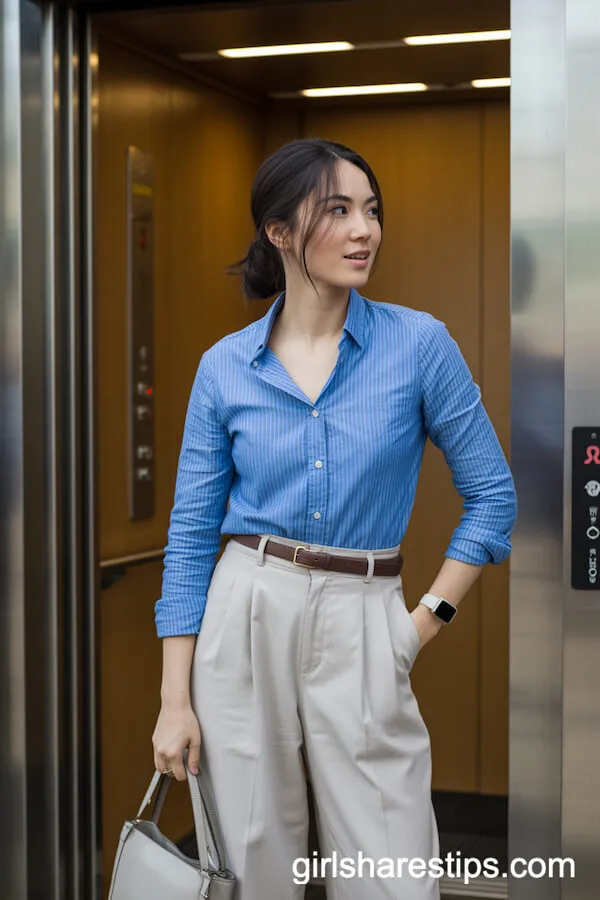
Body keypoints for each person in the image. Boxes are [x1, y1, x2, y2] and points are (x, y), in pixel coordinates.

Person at [152, 138, 517, 900]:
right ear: (281, 233)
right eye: (339, 210)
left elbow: (493, 497)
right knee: (251, 870)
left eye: (373, 210)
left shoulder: (419, 345)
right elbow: (189, 537)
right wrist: (173, 700)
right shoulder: (226, 367)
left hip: (368, 615)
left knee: (392, 873)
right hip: (245, 610)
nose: (365, 230)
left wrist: (418, 626)